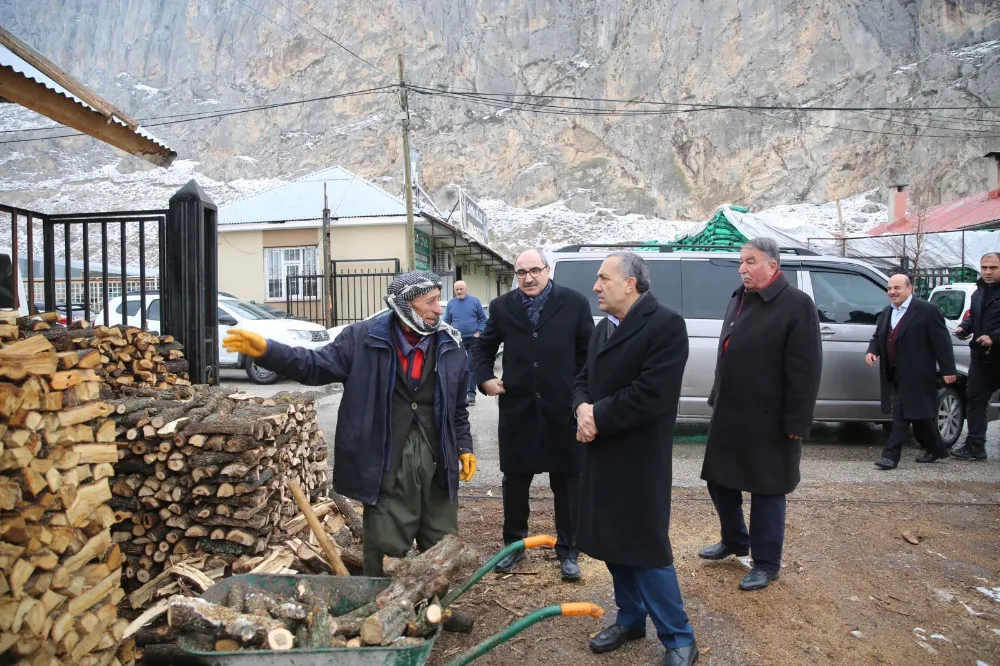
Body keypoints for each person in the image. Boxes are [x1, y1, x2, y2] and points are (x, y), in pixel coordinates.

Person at [222, 271, 477, 578]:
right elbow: (314, 367)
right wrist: (269, 351)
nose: (440, 309)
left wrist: (463, 446)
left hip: (438, 459)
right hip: (384, 460)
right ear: (406, 305)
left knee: (440, 544)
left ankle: (433, 612)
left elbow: (457, 407)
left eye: (439, 300)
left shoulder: (450, 343)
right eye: (431, 301)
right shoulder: (362, 338)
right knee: (385, 546)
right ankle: (387, 614)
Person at [572, 252, 697, 666]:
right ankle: (630, 619)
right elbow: (581, 378)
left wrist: (596, 416)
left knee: (645, 547)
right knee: (612, 542)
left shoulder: (665, 325)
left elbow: (652, 394)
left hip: (638, 459)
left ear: (630, 283)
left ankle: (679, 638)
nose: (596, 286)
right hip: (601, 453)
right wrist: (580, 408)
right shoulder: (602, 328)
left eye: (603, 278)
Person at [699, 237, 822, 592]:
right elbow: (728, 352)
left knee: (767, 491)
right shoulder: (739, 298)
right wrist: (716, 394)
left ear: (772, 265)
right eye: (741, 262)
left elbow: (806, 369)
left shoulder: (797, 305)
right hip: (730, 411)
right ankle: (735, 540)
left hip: (770, 417)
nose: (742, 269)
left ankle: (766, 563)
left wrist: (797, 421)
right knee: (719, 479)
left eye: (750, 261)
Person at [471, 249, 594, 581]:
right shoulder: (502, 307)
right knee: (515, 483)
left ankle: (569, 551)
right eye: (521, 272)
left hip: (563, 409)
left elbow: (589, 352)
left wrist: (581, 394)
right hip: (519, 409)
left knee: (568, 483)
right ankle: (514, 547)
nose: (528, 277)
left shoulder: (575, 303)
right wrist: (484, 379)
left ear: (547, 270)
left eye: (535, 270)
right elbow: (482, 347)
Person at [866, 273, 956, 469]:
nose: (892, 292)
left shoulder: (927, 311)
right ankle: (938, 449)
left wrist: (949, 369)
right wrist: (873, 351)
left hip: (918, 373)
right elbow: (878, 336)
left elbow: (942, 342)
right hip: (894, 373)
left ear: (910, 289)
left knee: (901, 413)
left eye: (897, 288)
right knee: (921, 415)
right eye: (889, 289)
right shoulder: (887, 312)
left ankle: (890, 456)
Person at [951, 252, 1000, 461]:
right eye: (984, 268)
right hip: (981, 358)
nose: (988, 272)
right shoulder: (978, 291)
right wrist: (964, 327)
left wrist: (995, 337)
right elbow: (973, 317)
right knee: (975, 399)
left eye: (993, 268)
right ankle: (975, 445)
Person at [444, 280, 487, 404]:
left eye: (461, 289)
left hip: (473, 340)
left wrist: (478, 333)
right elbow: (446, 321)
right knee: (458, 368)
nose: (459, 291)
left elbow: (483, 319)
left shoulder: (474, 301)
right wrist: (450, 334)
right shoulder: (451, 304)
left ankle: (471, 394)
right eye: (456, 289)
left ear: (466, 289)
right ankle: (459, 394)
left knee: (470, 367)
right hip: (458, 340)